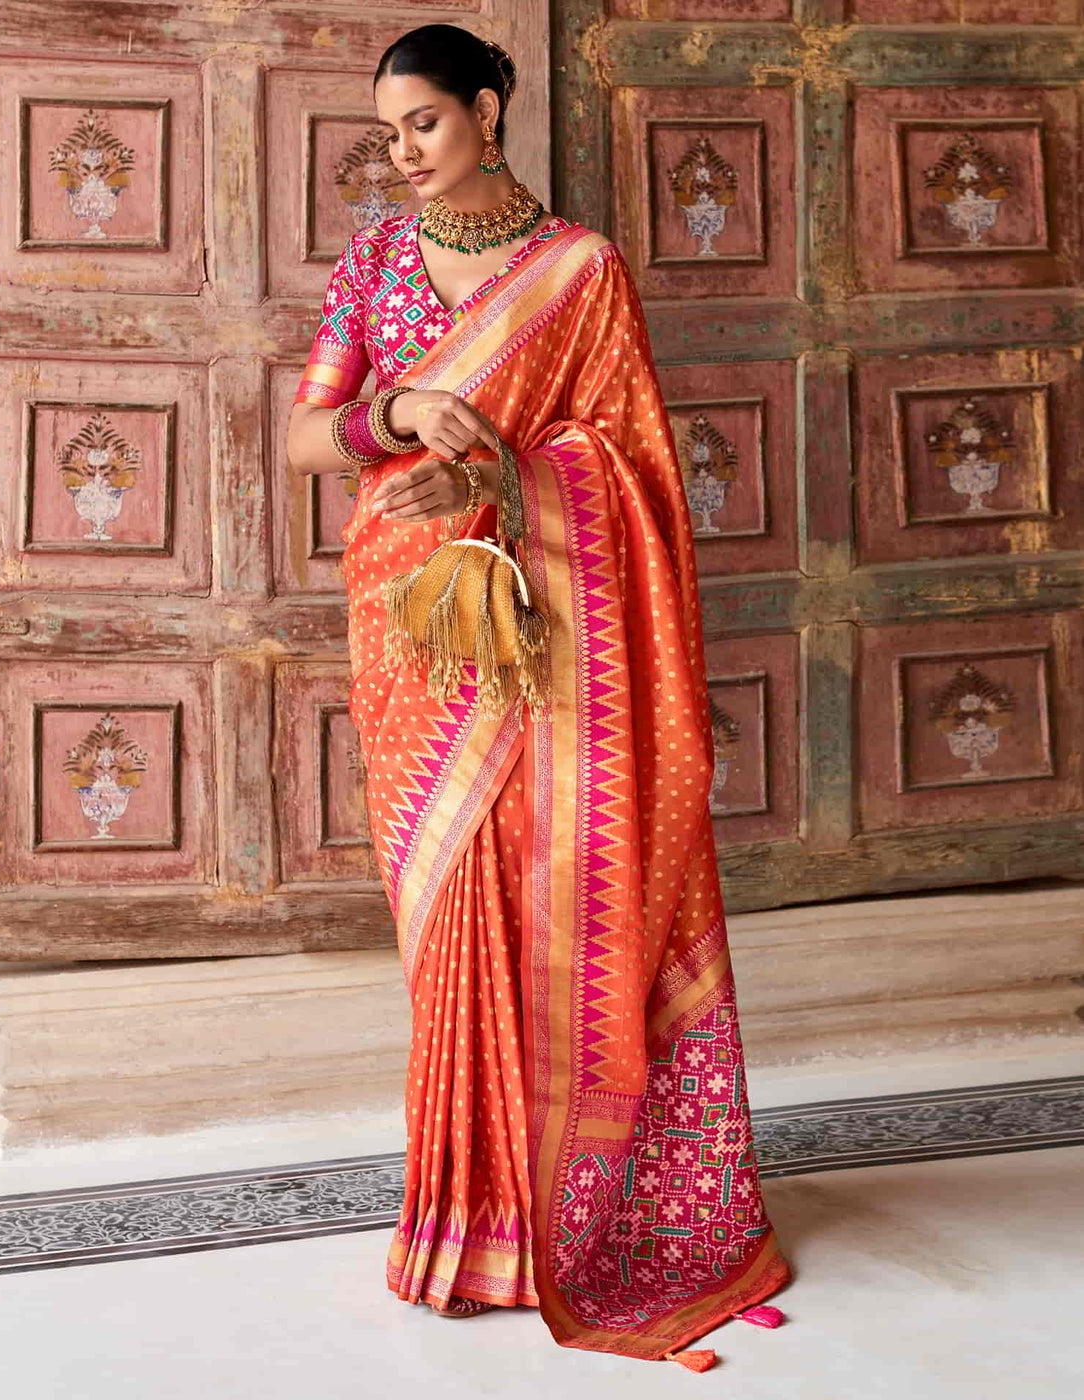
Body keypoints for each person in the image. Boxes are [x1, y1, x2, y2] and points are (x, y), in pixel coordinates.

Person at [286, 21, 793, 1371]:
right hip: (413, 615)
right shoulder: (379, 261)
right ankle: (459, 1219)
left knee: (550, 885)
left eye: (425, 125)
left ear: (491, 113)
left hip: (553, 616)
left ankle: (562, 1216)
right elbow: (305, 429)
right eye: (388, 132)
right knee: (453, 901)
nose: (402, 154)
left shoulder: (579, 271)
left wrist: (518, 472)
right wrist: (395, 422)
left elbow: (629, 461)